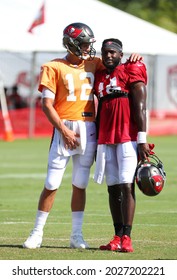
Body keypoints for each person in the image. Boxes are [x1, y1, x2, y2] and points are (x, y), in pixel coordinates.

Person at [23, 23, 142, 249]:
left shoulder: (94, 63)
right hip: (64, 126)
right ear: (72, 44)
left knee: (80, 183)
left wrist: (133, 59)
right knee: (51, 182)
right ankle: (36, 232)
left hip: (88, 128)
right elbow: (46, 104)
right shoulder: (52, 66)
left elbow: (116, 65)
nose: (89, 48)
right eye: (85, 44)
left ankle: (76, 235)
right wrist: (63, 130)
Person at [94, 38, 150, 252]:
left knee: (127, 185)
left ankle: (127, 236)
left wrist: (142, 139)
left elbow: (141, 106)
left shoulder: (131, 68)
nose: (108, 55)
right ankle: (116, 236)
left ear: (120, 54)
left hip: (127, 135)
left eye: (112, 52)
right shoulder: (99, 74)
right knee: (113, 187)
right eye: (105, 52)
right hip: (106, 138)